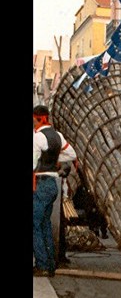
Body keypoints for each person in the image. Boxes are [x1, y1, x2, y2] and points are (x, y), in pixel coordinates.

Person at [33, 105, 77, 277]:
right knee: (44, 223)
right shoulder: (57, 136)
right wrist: (55, 160)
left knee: (35, 224)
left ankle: (42, 265)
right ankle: (50, 263)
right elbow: (71, 154)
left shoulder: (37, 138)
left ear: (37, 119)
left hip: (40, 182)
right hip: (53, 183)